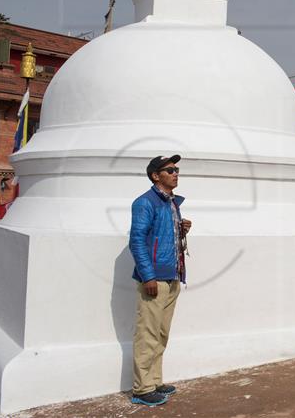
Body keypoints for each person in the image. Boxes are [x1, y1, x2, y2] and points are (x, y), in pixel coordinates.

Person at [128, 155, 192, 407]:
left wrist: (182, 228)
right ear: (156, 175)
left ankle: (154, 381)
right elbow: (137, 241)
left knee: (161, 332)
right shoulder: (145, 202)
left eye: (176, 169)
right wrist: (148, 275)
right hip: (155, 277)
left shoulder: (172, 204)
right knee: (148, 332)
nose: (175, 173)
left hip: (173, 274)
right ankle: (142, 389)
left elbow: (162, 236)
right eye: (169, 170)